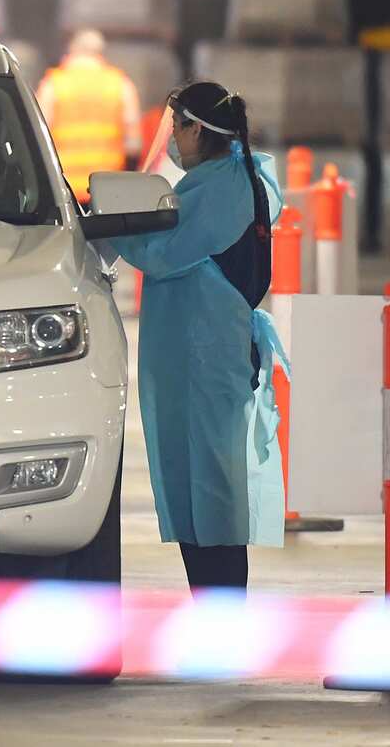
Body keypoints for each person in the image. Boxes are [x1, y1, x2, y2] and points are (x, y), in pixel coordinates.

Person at [110, 81, 287, 592]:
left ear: (197, 129)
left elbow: (164, 251)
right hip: (197, 360)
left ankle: (222, 610)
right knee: (197, 483)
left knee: (212, 487)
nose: (171, 138)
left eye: (176, 126)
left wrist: (110, 226)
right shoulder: (219, 179)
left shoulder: (221, 186)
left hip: (206, 360)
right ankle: (212, 606)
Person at [36, 29, 143, 205]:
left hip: (63, 187)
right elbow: (133, 145)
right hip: (107, 189)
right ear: (100, 52)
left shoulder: (53, 84)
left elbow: (39, 134)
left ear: (72, 50)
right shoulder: (120, 84)